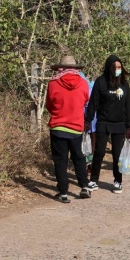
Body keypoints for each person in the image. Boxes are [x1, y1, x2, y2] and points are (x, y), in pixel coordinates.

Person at [46, 55, 93, 203]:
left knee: (60, 160)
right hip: (76, 127)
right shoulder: (83, 83)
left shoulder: (53, 83)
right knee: (79, 157)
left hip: (58, 126)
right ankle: (84, 186)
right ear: (75, 68)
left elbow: (49, 105)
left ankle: (63, 192)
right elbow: (85, 101)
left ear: (60, 68)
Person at [85, 55, 130, 193]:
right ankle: (93, 180)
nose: (117, 70)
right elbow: (93, 103)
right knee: (99, 152)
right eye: (115, 67)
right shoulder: (100, 82)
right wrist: (88, 120)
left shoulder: (124, 84)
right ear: (109, 68)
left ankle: (118, 181)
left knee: (117, 154)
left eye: (119, 67)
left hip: (119, 124)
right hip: (103, 122)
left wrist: (129, 126)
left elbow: (129, 105)